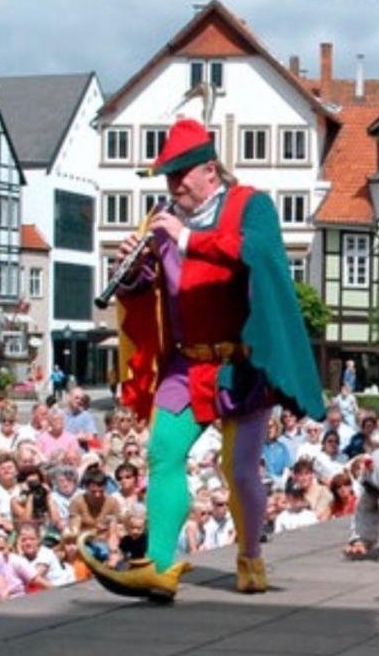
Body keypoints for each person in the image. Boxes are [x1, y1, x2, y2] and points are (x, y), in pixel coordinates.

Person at [80, 118, 324, 601]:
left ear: (209, 170)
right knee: (163, 454)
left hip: (241, 365)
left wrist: (188, 239)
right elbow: (147, 288)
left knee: (239, 470)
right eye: (168, 177)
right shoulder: (163, 217)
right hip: (186, 364)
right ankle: (160, 567)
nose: (173, 186)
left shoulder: (250, 204)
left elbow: (257, 254)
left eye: (181, 175)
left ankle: (251, 554)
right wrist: (128, 269)